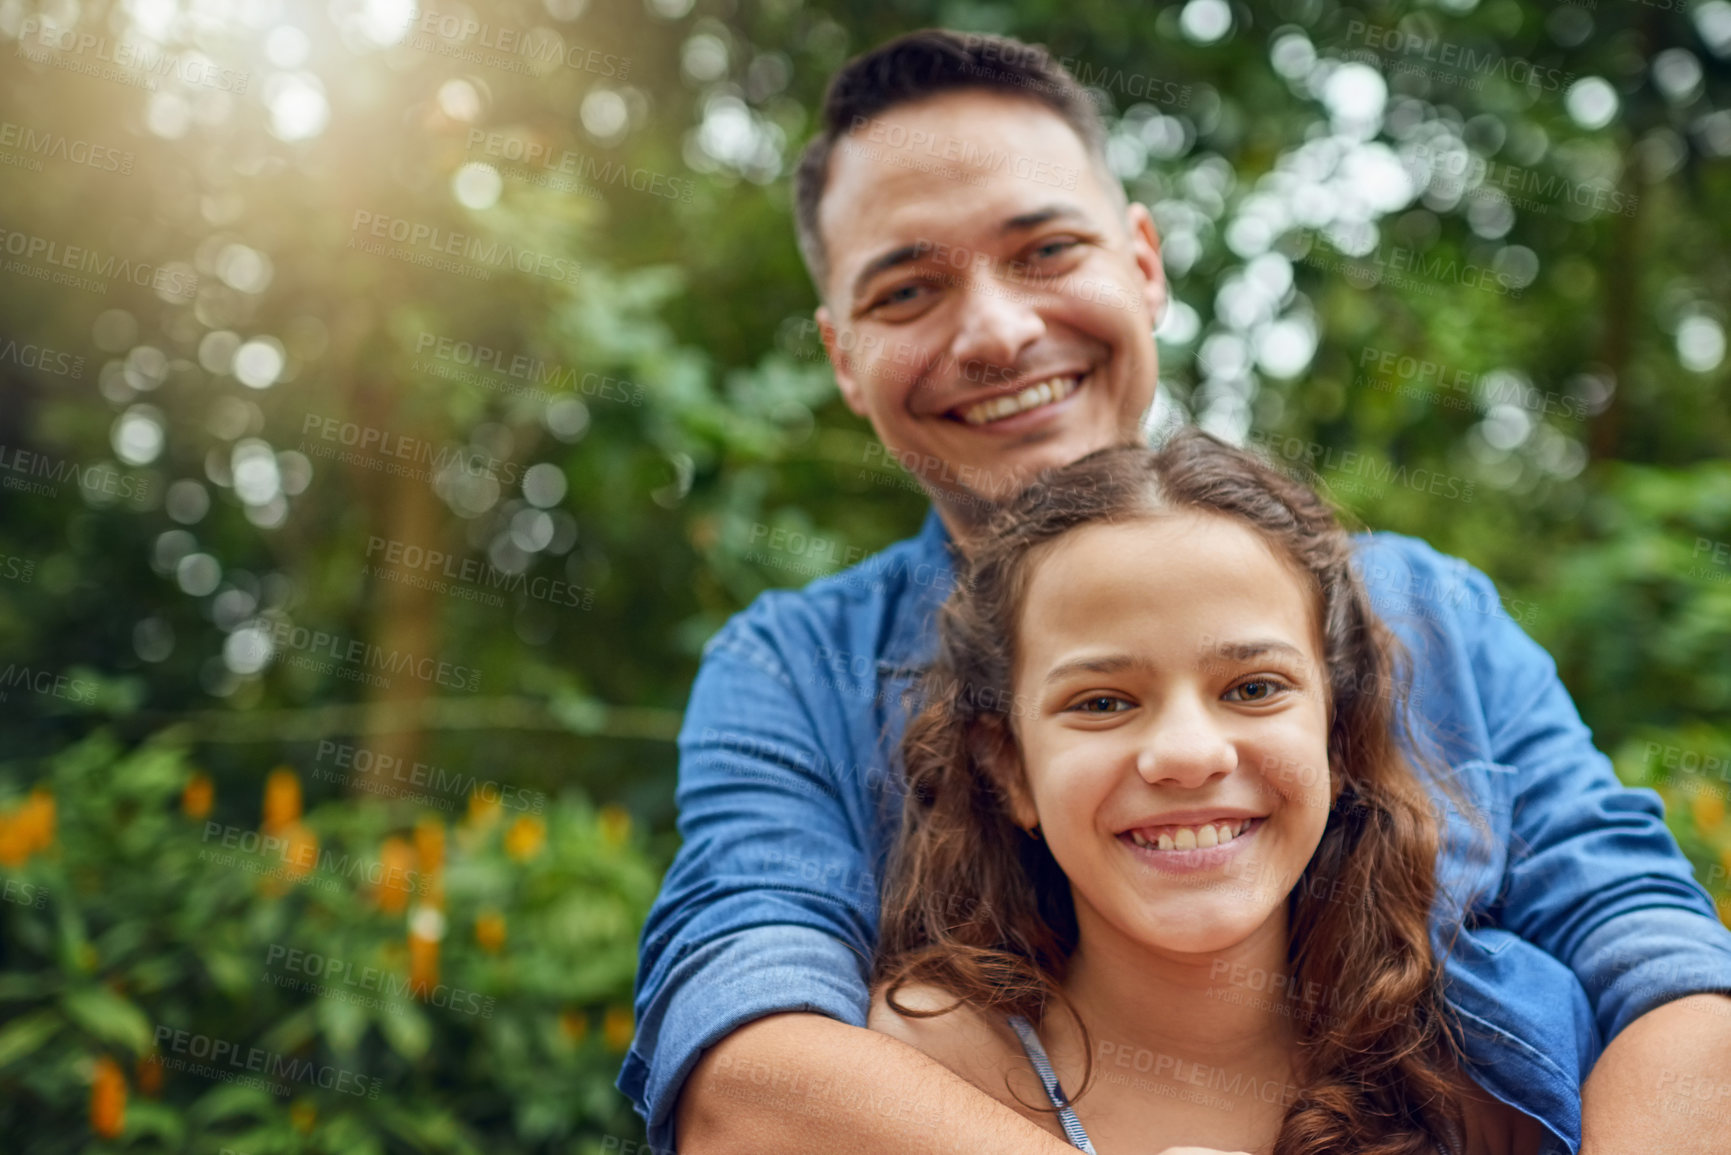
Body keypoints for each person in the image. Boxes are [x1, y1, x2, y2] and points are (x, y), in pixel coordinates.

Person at [619, 28, 1731, 1155]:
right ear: (844, 357)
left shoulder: (1434, 612)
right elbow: (744, 1061)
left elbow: (1662, 964)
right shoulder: (792, 670)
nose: (999, 331)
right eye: (908, 288)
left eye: (1046, 251)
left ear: (1143, 266)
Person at [870, 429, 1548, 1154]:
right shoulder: (914, 1073)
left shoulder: (1484, 1076)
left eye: (1252, 687)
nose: (1188, 756)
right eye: (1101, 702)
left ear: (1339, 733)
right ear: (1007, 767)